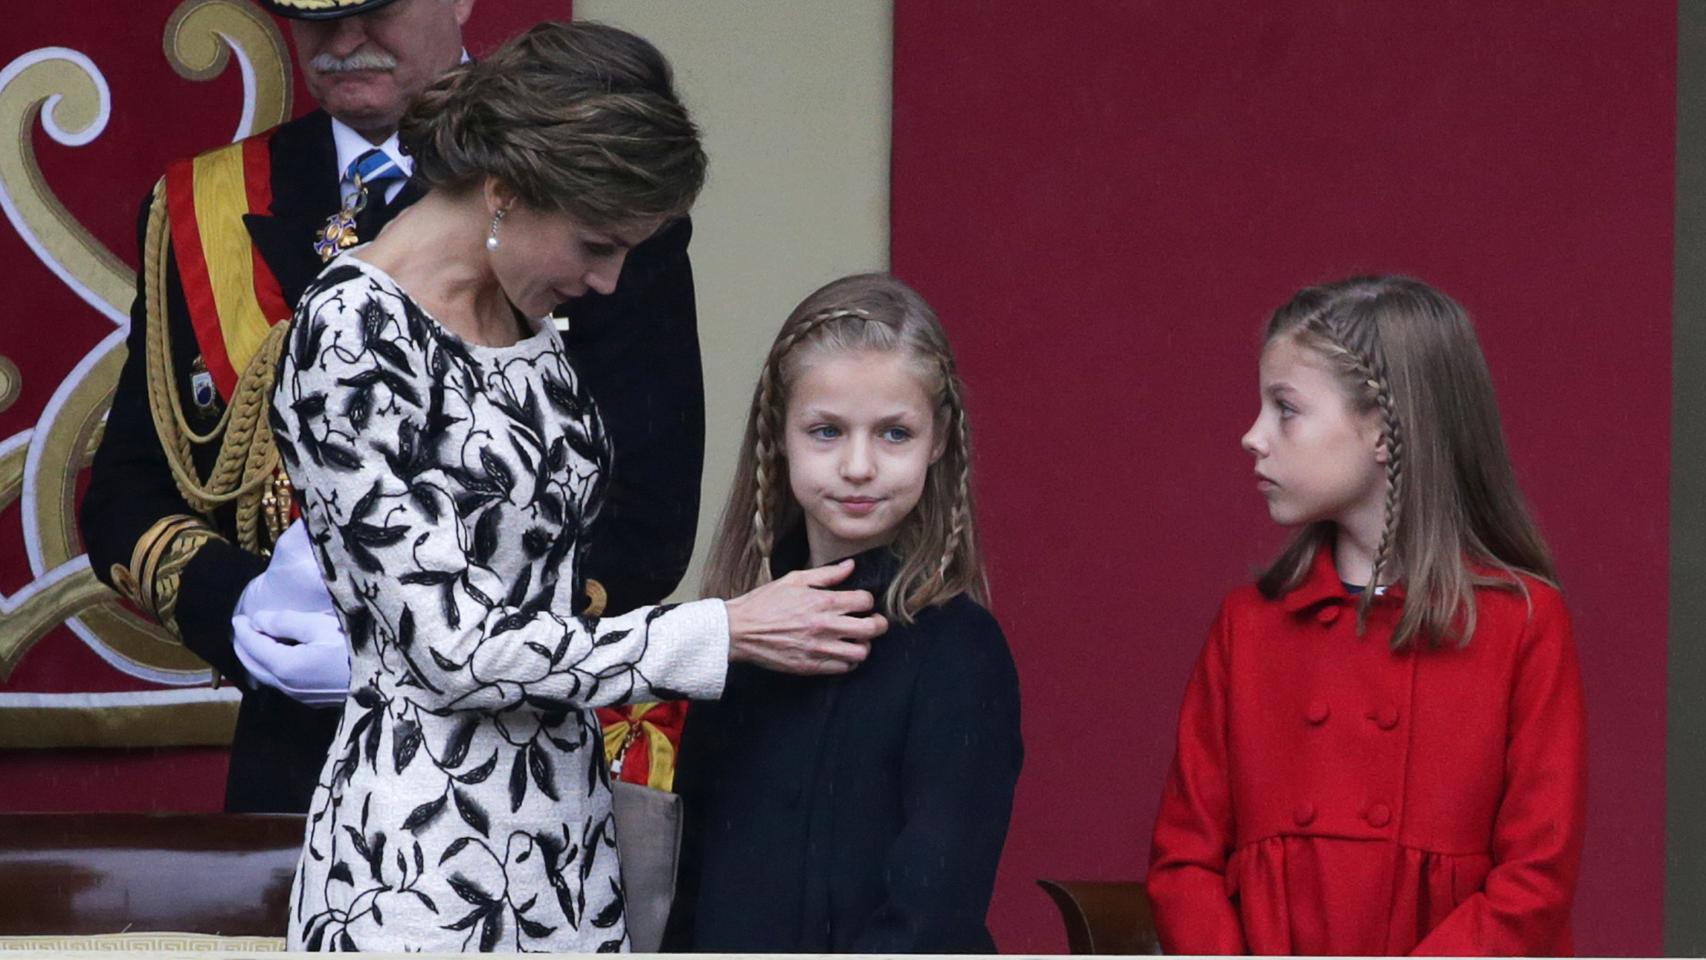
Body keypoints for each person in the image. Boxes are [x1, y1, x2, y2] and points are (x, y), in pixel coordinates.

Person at [273, 22, 883, 952]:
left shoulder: (522, 313)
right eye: (597, 245)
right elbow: (454, 651)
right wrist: (721, 631)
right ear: (507, 190)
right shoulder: (353, 332)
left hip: (567, 842)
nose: (608, 281)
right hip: (418, 863)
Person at [79, 0, 706, 813]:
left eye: (378, 9)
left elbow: (646, 516)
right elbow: (126, 491)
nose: (346, 41)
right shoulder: (204, 202)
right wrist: (241, 606)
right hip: (297, 759)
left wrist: (423, 640)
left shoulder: (590, 177)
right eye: (314, 17)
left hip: (507, 752)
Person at [1146, 276, 1587, 955]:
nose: (1253, 436)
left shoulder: (1522, 624)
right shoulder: (1248, 627)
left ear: (1383, 430)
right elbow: (1184, 864)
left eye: (1285, 408)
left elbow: (1536, 880)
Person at [662, 274, 1024, 953]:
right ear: (779, 433)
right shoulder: (739, 636)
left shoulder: (960, 653)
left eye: (894, 433)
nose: (859, 466)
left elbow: (933, 914)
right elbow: (692, 890)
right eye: (826, 431)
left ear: (938, 438)